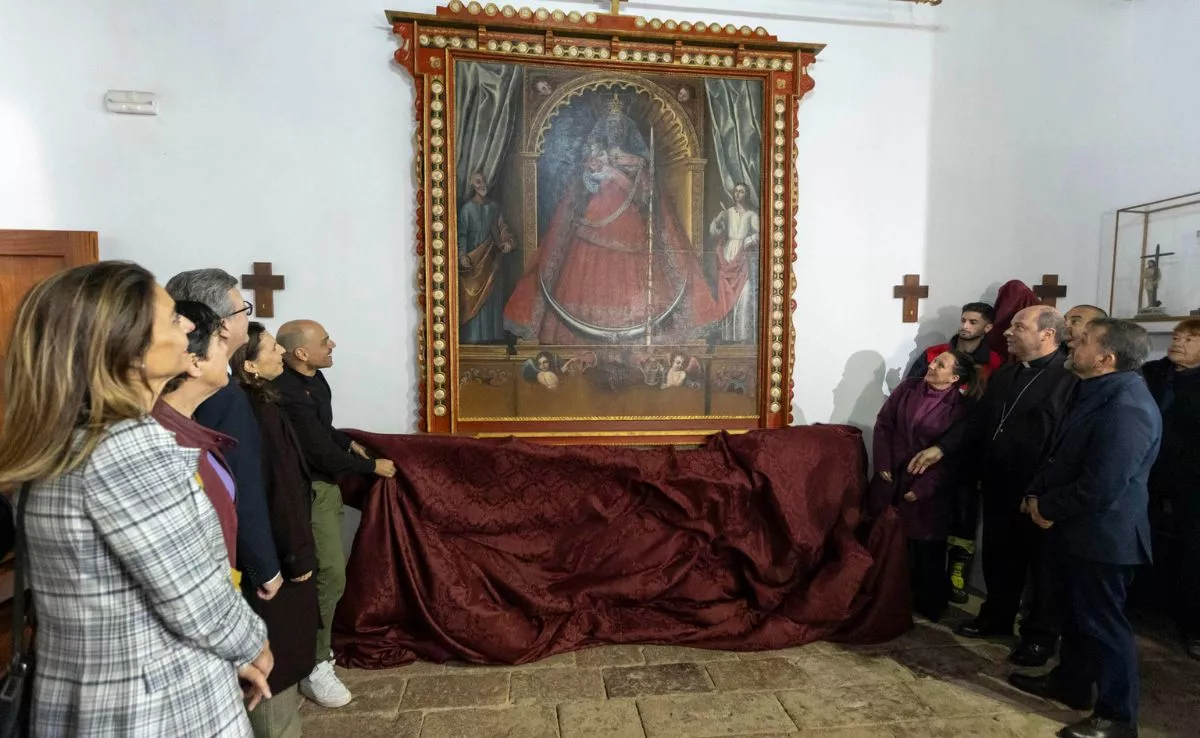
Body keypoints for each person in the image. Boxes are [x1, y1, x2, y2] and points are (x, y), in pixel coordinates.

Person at [0, 261, 272, 736]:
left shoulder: (68, 438)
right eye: (172, 319)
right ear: (128, 349)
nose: (189, 325)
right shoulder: (127, 449)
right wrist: (251, 645)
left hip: (93, 693)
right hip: (155, 706)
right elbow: (196, 595)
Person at [1010, 318, 1159, 738]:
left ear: (1106, 359)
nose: (1074, 343)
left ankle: (1117, 717)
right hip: (1075, 530)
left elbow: (1104, 483)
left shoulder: (1128, 406)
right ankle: (1071, 684)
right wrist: (1038, 495)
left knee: (1103, 625)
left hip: (1104, 537)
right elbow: (1061, 453)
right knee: (1075, 617)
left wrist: (1049, 506)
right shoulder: (1095, 390)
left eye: (1086, 342)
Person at [909, 306, 1076, 667]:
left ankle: (1039, 636)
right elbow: (977, 423)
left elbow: (1067, 444)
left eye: (1019, 327)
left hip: (1040, 489)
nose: (1008, 334)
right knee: (1001, 555)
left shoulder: (1069, 378)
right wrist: (943, 447)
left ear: (1047, 334)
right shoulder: (1007, 374)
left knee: (1043, 568)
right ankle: (997, 615)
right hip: (999, 482)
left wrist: (1042, 490)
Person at [503, 94, 721, 345]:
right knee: (586, 266)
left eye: (620, 127)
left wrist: (631, 174)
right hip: (598, 215)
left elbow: (645, 195)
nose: (615, 131)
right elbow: (584, 187)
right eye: (612, 126)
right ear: (605, 129)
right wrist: (598, 171)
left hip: (630, 220)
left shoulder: (636, 160)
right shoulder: (598, 155)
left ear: (626, 130)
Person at [272, 319, 396, 708]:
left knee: (328, 573)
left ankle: (313, 653)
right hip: (308, 490)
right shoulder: (286, 392)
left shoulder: (314, 379)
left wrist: (348, 442)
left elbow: (321, 431)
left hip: (322, 487)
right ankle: (314, 663)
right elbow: (315, 453)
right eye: (325, 342)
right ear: (301, 353)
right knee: (326, 574)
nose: (333, 344)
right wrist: (372, 468)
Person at [166, 269, 283, 602]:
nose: (249, 317)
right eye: (243, 309)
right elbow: (238, 479)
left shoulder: (214, 385)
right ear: (222, 323)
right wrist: (265, 564)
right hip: (216, 566)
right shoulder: (220, 393)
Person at [233, 322, 321, 736]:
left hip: (273, 553)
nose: (280, 355)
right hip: (275, 562)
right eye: (270, 349)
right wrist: (297, 555)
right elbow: (277, 489)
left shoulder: (257, 403)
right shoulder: (258, 413)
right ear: (249, 365)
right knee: (276, 672)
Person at [870, 350, 982, 621]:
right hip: (892, 478)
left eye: (940, 365)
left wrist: (923, 488)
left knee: (924, 549)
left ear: (954, 377)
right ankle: (889, 600)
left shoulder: (961, 408)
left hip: (928, 491)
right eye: (933, 361)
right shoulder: (908, 388)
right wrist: (883, 464)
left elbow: (953, 458)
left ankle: (926, 604)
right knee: (888, 543)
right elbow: (885, 424)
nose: (931, 366)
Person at [153, 301, 241, 578]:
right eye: (220, 340)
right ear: (194, 362)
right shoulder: (163, 439)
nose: (227, 349)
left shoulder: (187, 424)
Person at [1142, 318, 1200, 660]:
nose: (1178, 342)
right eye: (1177, 336)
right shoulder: (1152, 374)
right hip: (1149, 473)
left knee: (1193, 550)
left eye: (1190, 338)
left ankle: (1193, 626)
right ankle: (1140, 605)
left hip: (1192, 478)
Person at [458, 171, 517, 343]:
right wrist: (462, 255)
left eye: (484, 182)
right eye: (478, 182)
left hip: (492, 261)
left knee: (492, 297)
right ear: (472, 186)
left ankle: (493, 339)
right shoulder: (467, 209)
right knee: (474, 299)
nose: (482, 185)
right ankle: (474, 339)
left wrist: (507, 242)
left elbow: (502, 227)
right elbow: (461, 234)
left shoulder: (494, 207)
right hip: (474, 261)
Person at [708, 182, 760, 344]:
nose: (738, 194)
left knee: (744, 295)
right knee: (727, 296)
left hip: (742, 255)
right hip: (727, 253)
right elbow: (714, 232)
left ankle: (742, 336)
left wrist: (747, 241)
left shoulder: (751, 215)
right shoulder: (727, 212)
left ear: (746, 195)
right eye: (736, 191)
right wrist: (717, 221)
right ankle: (729, 337)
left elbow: (760, 234)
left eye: (742, 191)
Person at [907, 302, 1002, 380]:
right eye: (963, 320)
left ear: (988, 327)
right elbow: (909, 389)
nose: (965, 326)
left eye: (973, 322)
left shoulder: (994, 362)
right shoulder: (933, 353)